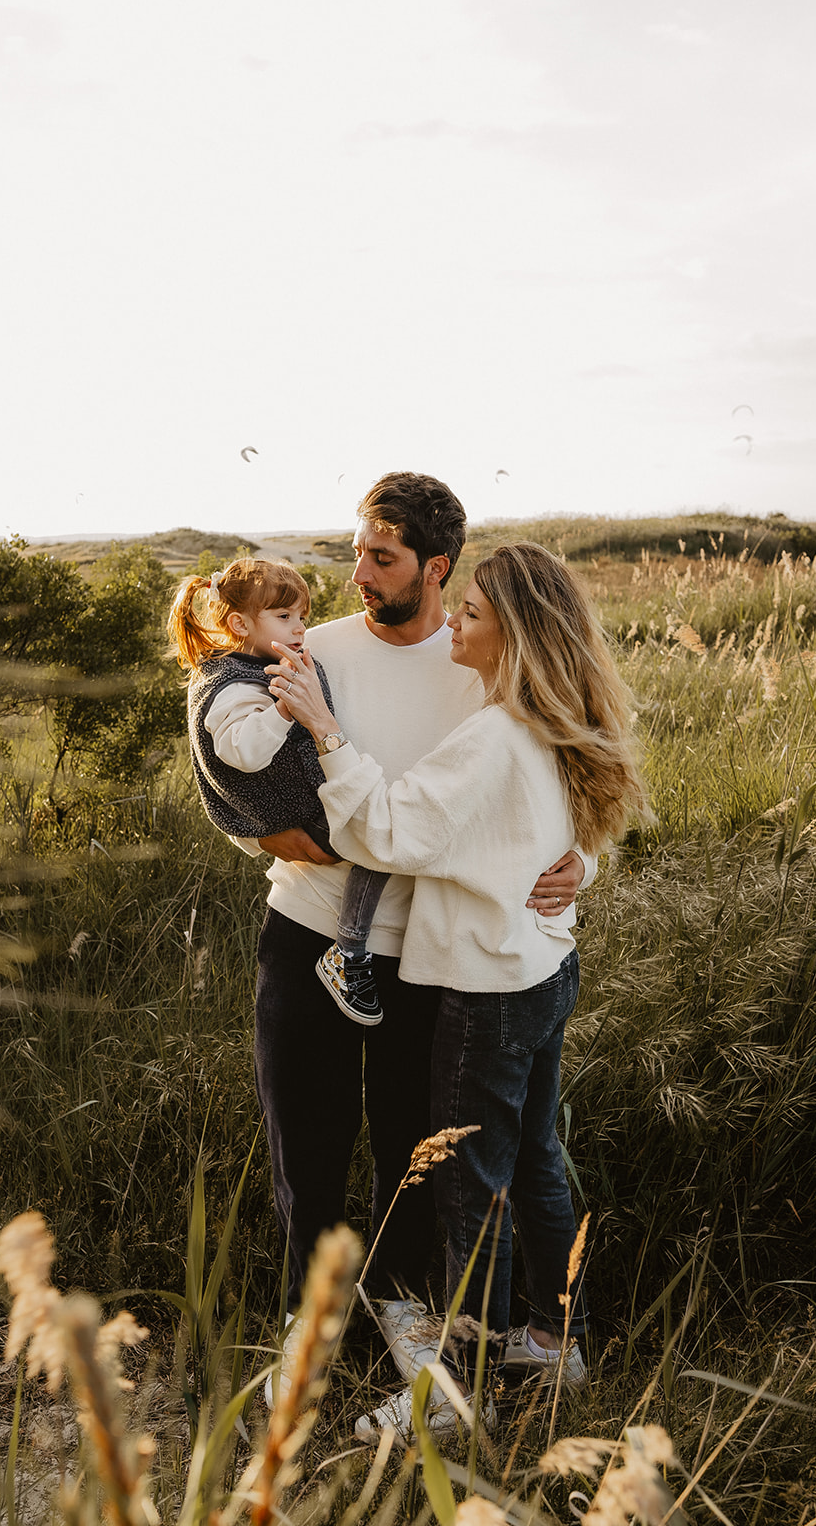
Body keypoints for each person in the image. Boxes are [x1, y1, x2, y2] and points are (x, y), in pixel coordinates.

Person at [271, 540, 649, 1439]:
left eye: (474, 613)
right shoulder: (545, 715)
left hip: (485, 986)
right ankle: (556, 1340)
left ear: (512, 632)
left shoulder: (493, 731)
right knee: (533, 1161)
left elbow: (392, 833)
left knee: (468, 1187)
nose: (459, 625)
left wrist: (326, 729)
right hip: (541, 966)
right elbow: (545, 834)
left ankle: (454, 1392)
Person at [166, 557, 389, 1024]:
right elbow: (241, 753)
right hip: (303, 828)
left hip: (314, 811)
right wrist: (287, 711)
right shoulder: (231, 684)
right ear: (240, 624)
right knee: (383, 840)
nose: (300, 628)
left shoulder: (267, 663)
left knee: (383, 836)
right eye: (284, 617)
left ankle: (350, 947)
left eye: (302, 617)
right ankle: (349, 950)